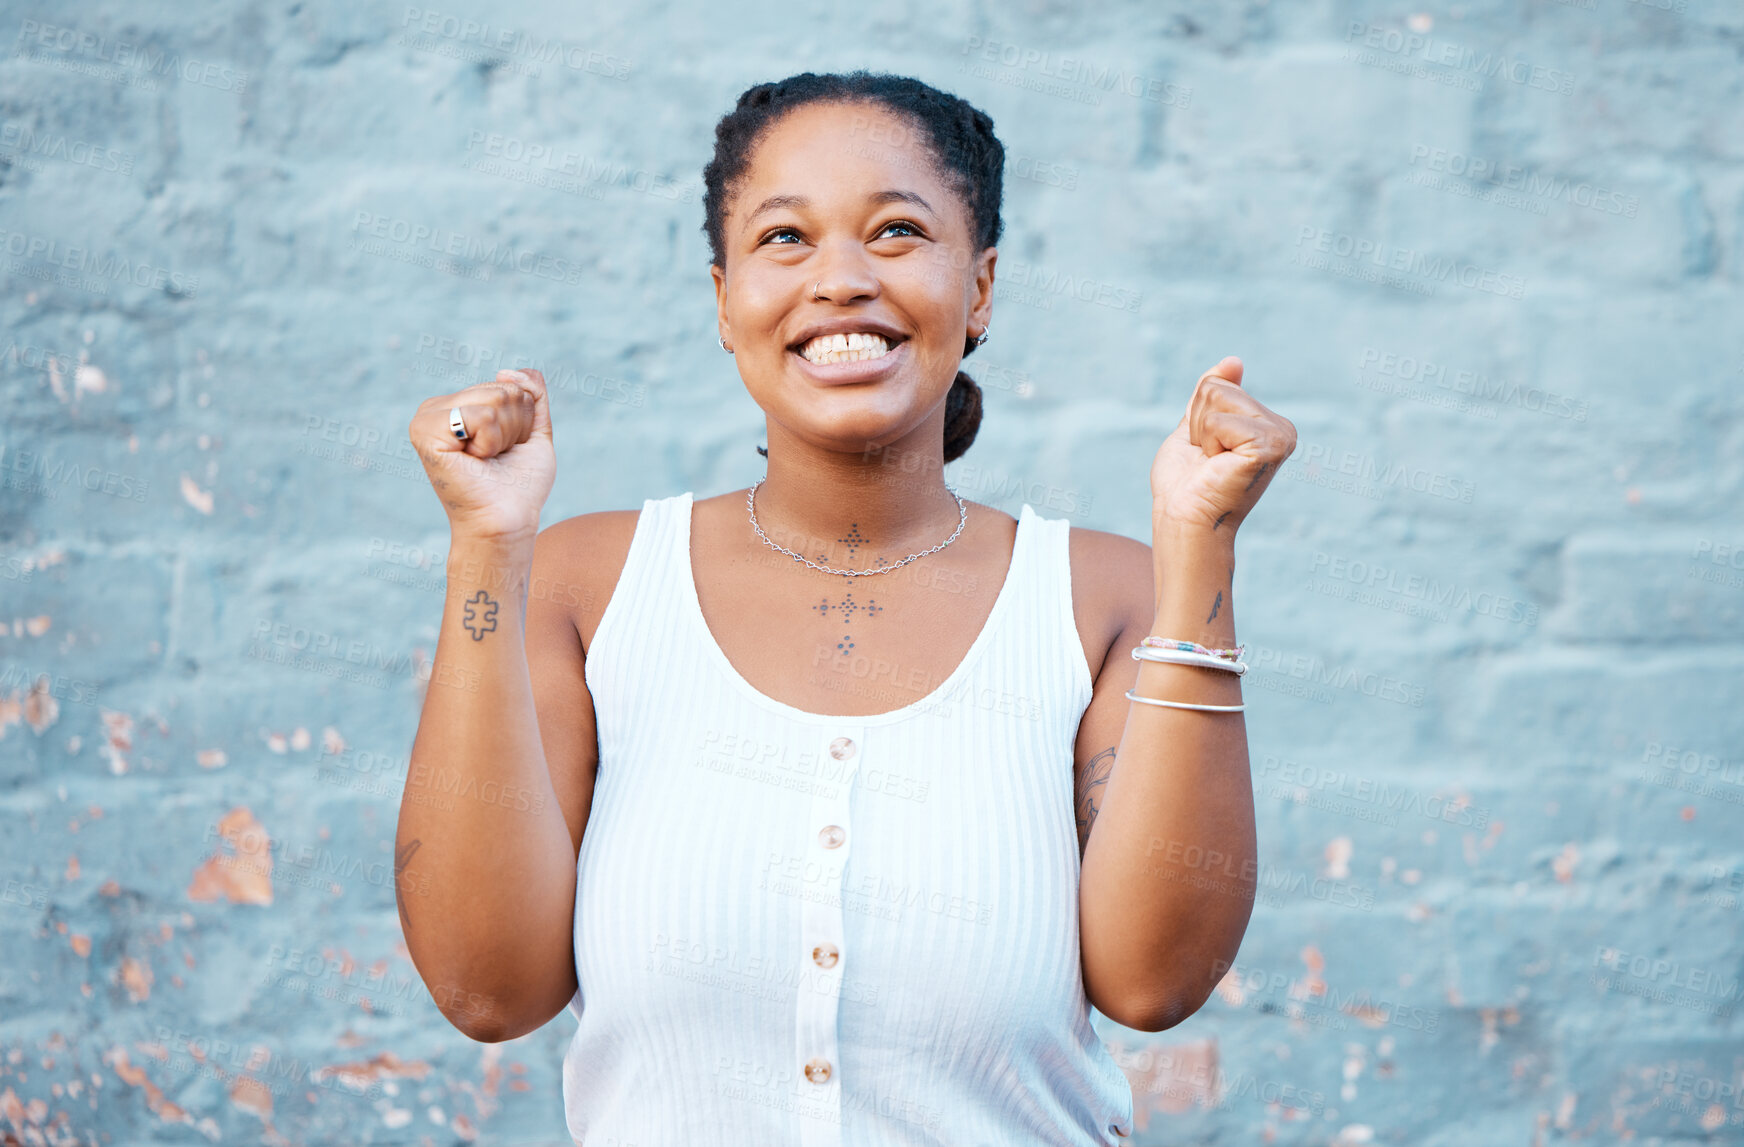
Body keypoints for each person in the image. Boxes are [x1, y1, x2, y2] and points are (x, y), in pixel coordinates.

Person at [395, 70, 1296, 1146]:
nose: (840, 279)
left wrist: (1197, 547)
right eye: (784, 238)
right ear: (723, 300)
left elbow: (1155, 982)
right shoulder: (585, 587)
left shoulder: (1103, 600)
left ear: (980, 290)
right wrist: (489, 546)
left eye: (898, 231)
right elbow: (487, 990)